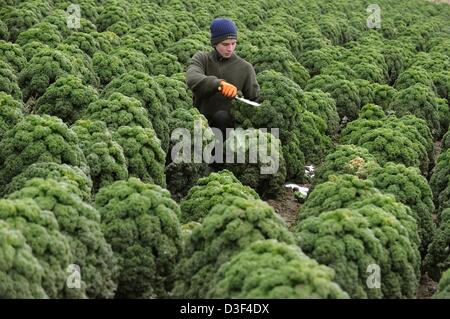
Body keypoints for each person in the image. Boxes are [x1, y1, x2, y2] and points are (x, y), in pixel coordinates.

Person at [186, 18, 260, 137]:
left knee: (222, 117)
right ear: (214, 43)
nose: (230, 48)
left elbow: (254, 100)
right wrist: (218, 84)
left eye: (233, 43)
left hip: (228, 131)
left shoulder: (245, 68)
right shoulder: (202, 59)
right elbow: (192, 77)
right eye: (225, 44)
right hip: (200, 124)